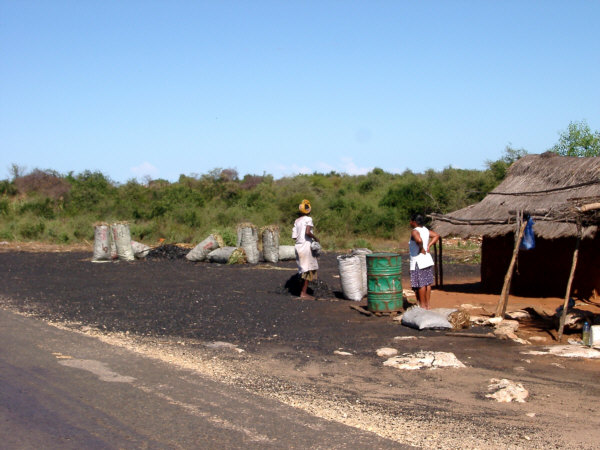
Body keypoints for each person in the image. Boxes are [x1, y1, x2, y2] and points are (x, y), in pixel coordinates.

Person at [408, 213, 440, 310]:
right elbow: (436, 235)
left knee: (420, 284)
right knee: (427, 283)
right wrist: (429, 246)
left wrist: (422, 247)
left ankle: (422, 305)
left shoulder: (415, 231)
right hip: (427, 260)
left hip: (418, 261)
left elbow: (418, 239)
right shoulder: (425, 230)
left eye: (411, 221)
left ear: (414, 222)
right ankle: (427, 305)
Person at [292, 199, 320, 299]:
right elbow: (307, 232)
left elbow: (295, 237)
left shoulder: (297, 221)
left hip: (298, 246)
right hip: (305, 246)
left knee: (302, 270)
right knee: (308, 270)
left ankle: (301, 290)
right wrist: (316, 238)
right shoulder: (308, 219)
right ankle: (303, 293)